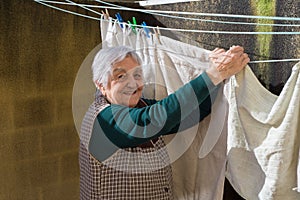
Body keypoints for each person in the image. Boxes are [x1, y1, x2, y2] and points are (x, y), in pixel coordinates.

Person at [79, 45, 250, 200]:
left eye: (137, 75)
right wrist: (214, 73)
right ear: (100, 85)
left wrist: (218, 77)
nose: (132, 84)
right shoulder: (102, 120)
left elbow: (188, 115)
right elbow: (156, 117)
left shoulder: (140, 107)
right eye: (120, 76)